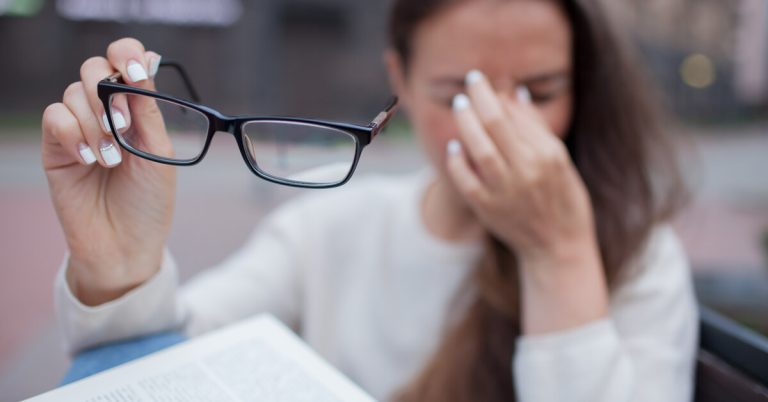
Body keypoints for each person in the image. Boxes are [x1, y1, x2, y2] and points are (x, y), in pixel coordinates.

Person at [41, 0, 697, 401]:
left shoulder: (636, 255)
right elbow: (167, 366)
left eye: (541, 91)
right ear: (399, 81)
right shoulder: (331, 224)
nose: (498, 125)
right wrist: (120, 265)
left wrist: (558, 253)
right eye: (458, 95)